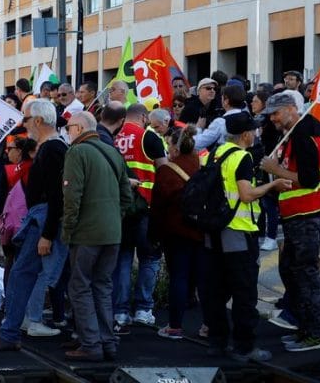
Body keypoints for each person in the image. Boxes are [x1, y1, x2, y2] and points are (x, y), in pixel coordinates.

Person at [205, 111, 291, 362]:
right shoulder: (241, 157)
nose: (256, 133)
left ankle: (216, 342)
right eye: (253, 130)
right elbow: (246, 194)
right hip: (239, 233)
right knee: (244, 293)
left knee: (217, 292)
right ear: (245, 134)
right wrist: (272, 185)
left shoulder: (216, 153)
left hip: (215, 232)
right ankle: (245, 347)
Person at [0, 99, 69, 351]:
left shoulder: (52, 149)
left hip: (41, 220)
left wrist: (47, 233)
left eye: (27, 119)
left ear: (39, 121)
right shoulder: (52, 147)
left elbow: (55, 195)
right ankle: (10, 332)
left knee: (21, 274)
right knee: (24, 274)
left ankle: (9, 334)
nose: (24, 124)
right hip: (41, 218)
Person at [260, 92, 320, 352]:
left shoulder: (304, 134)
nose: (272, 119)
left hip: (306, 216)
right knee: (292, 271)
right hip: (300, 215)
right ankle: (305, 330)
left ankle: (315, 335)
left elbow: (309, 179)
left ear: (292, 109)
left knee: (305, 276)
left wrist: (274, 169)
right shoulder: (307, 130)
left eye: (276, 113)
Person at [62, 111, 132, 361]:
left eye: (69, 127)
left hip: (86, 233)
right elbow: (127, 195)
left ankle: (91, 344)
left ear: (79, 129)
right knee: (103, 286)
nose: (67, 131)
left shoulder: (77, 152)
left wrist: (67, 231)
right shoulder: (112, 151)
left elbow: (72, 197)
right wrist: (114, 218)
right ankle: (107, 342)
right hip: (112, 232)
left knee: (79, 287)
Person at [112, 103, 167, 327]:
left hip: (120, 208)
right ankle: (143, 308)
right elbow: (164, 171)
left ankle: (121, 311)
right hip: (147, 207)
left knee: (123, 259)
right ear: (144, 117)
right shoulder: (149, 138)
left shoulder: (112, 138)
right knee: (150, 258)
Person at [150, 126, 207, 340]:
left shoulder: (167, 171)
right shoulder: (203, 166)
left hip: (176, 231)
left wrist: (153, 236)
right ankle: (208, 325)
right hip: (202, 230)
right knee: (204, 279)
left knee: (179, 277)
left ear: (174, 148)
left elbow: (158, 207)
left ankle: (175, 326)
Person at [0, 137, 37, 292]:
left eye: (10, 148)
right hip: (29, 223)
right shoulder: (33, 168)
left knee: (11, 262)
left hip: (10, 225)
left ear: (20, 151)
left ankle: (9, 300)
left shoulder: (8, 171)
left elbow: (1, 200)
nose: (7, 152)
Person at [194, 84, 246, 151]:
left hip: (225, 158)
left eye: (222, 97)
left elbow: (197, 144)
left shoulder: (220, 122)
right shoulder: (248, 117)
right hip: (244, 157)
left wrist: (198, 128)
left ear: (226, 101)